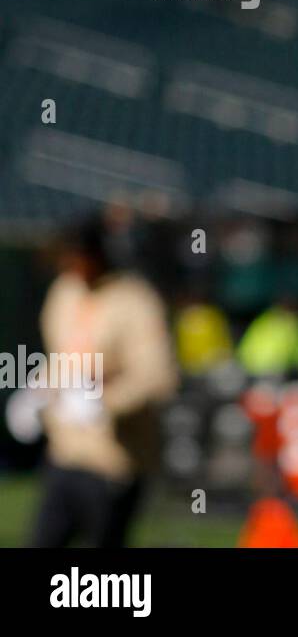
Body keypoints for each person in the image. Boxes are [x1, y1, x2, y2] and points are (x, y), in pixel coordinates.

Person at [28, 216, 178, 547]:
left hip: (114, 461)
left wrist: (105, 402)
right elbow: (60, 357)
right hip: (65, 453)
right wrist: (37, 391)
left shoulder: (135, 301)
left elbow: (158, 376)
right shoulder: (64, 293)